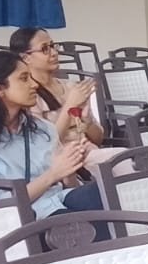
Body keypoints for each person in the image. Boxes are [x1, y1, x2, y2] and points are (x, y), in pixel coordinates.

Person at [0, 51, 107, 229]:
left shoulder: (41, 128)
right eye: (24, 78)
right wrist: (53, 174)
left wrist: (69, 170)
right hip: (12, 222)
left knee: (107, 196)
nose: (34, 85)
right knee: (83, 227)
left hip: (55, 202)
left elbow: (69, 187)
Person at [10, 27, 128, 178]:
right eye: (45, 49)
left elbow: (98, 138)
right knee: (124, 160)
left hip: (90, 154)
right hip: (66, 163)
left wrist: (87, 123)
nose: (54, 53)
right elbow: (45, 147)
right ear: (26, 58)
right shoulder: (30, 96)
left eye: (53, 46)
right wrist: (70, 105)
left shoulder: (70, 87)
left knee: (131, 160)